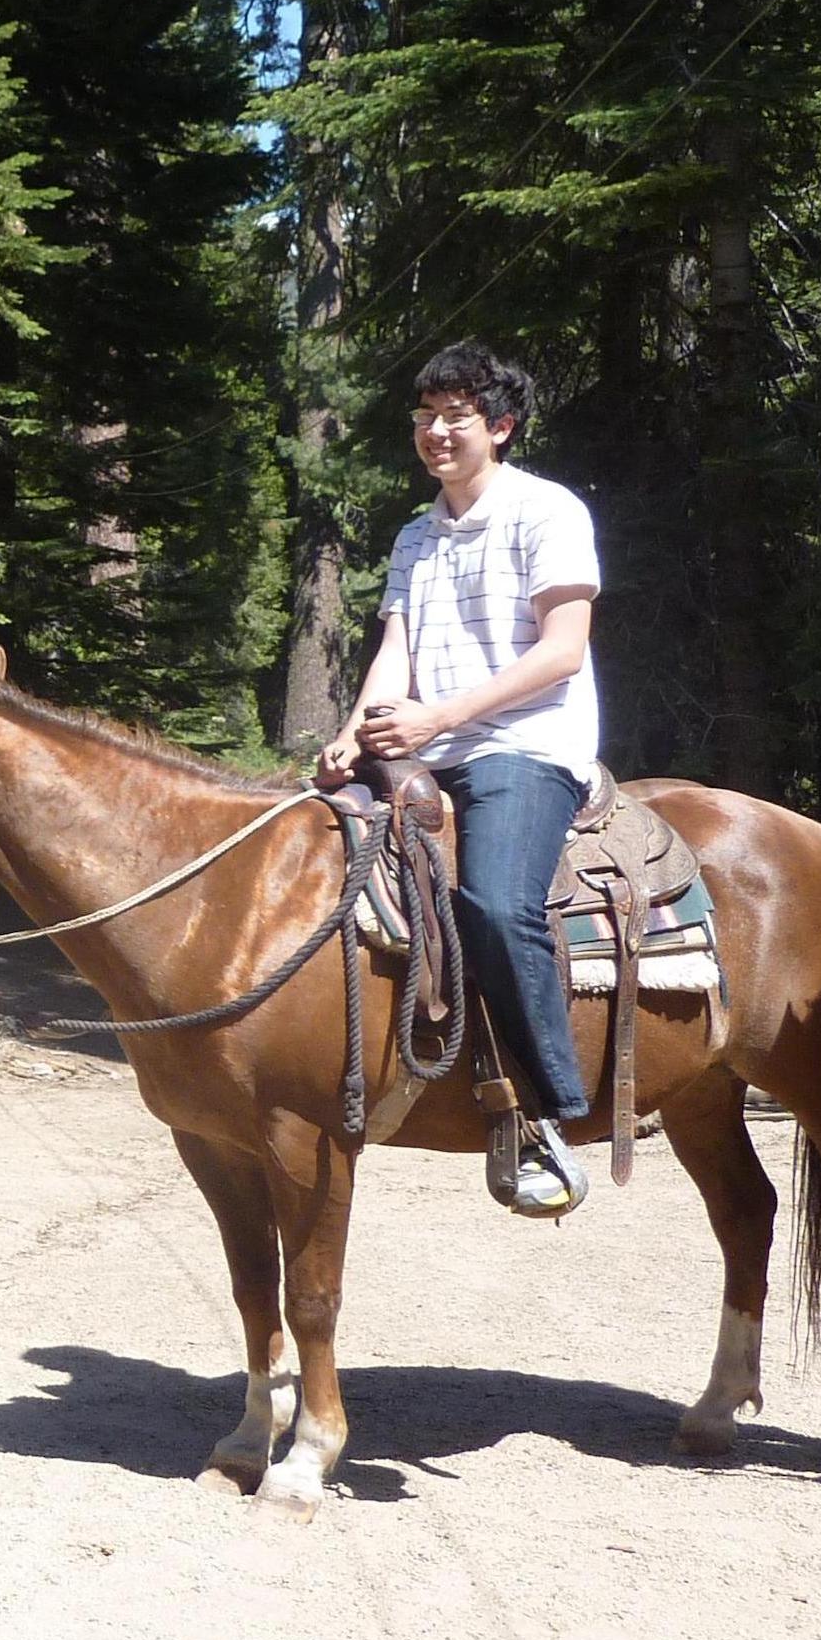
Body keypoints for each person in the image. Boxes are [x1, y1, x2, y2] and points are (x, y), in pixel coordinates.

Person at [319, 340, 602, 1217]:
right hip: (421, 744)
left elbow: (563, 652)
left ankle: (553, 1105)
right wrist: (352, 729)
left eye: (457, 417)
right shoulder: (416, 533)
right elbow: (397, 651)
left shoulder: (547, 512)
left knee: (493, 902)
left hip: (525, 745)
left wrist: (441, 718)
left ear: (502, 427)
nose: (436, 433)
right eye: (425, 417)